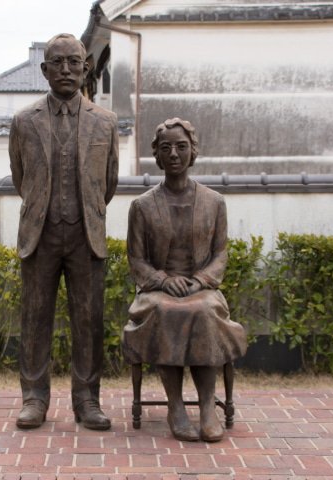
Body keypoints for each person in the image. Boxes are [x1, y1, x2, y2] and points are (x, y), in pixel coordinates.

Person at [9, 33, 119, 430]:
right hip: (40, 234)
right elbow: (21, 177)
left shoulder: (105, 122)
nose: (67, 70)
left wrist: (82, 212)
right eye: (58, 62)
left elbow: (108, 182)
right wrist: (46, 209)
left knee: (88, 320)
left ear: (86, 67)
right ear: (44, 70)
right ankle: (34, 398)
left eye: (75, 62)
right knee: (35, 318)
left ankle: (88, 400)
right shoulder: (24, 121)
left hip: (85, 234)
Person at [123, 118, 247, 442]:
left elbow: (221, 254)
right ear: (157, 156)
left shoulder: (214, 202)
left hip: (201, 290)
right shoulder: (142, 206)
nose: (174, 154)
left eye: (181, 146)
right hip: (157, 292)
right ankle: (175, 407)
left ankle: (207, 406)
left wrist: (201, 280)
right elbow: (136, 259)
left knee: (203, 311)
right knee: (167, 311)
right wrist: (162, 280)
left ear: (193, 152)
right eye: (166, 148)